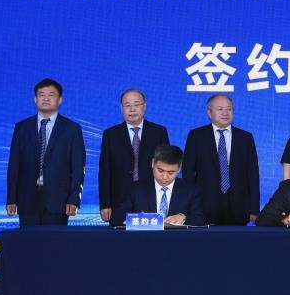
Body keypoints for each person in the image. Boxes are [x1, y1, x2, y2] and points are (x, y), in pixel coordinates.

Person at [6, 78, 85, 226]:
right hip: (27, 199)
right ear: (35, 99)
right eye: (42, 95)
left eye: (51, 95)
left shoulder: (72, 129)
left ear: (60, 100)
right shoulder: (22, 127)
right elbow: (14, 165)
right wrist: (11, 198)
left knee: (54, 240)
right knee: (29, 240)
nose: (46, 98)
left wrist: (74, 199)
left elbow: (77, 167)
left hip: (59, 201)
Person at [182, 94, 260, 225]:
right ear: (209, 112)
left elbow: (253, 174)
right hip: (204, 206)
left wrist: (254, 208)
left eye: (229, 109)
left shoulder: (245, 138)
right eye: (220, 109)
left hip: (239, 207)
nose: (225, 113)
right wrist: (190, 205)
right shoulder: (196, 136)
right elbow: (188, 172)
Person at [98, 89, 169, 224]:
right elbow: (104, 171)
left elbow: (166, 167)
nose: (132, 109)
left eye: (136, 104)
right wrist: (105, 204)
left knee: (152, 236)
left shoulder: (159, 132)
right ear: (121, 108)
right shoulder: (110, 134)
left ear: (144, 106)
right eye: (127, 105)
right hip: (120, 201)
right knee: (119, 236)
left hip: (152, 198)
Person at [112, 145, 204, 227]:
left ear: (179, 169)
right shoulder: (135, 189)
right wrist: (137, 217)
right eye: (160, 171)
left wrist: (183, 217)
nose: (164, 177)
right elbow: (115, 220)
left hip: (177, 238)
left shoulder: (191, 190)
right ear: (153, 163)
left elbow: (200, 219)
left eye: (171, 172)